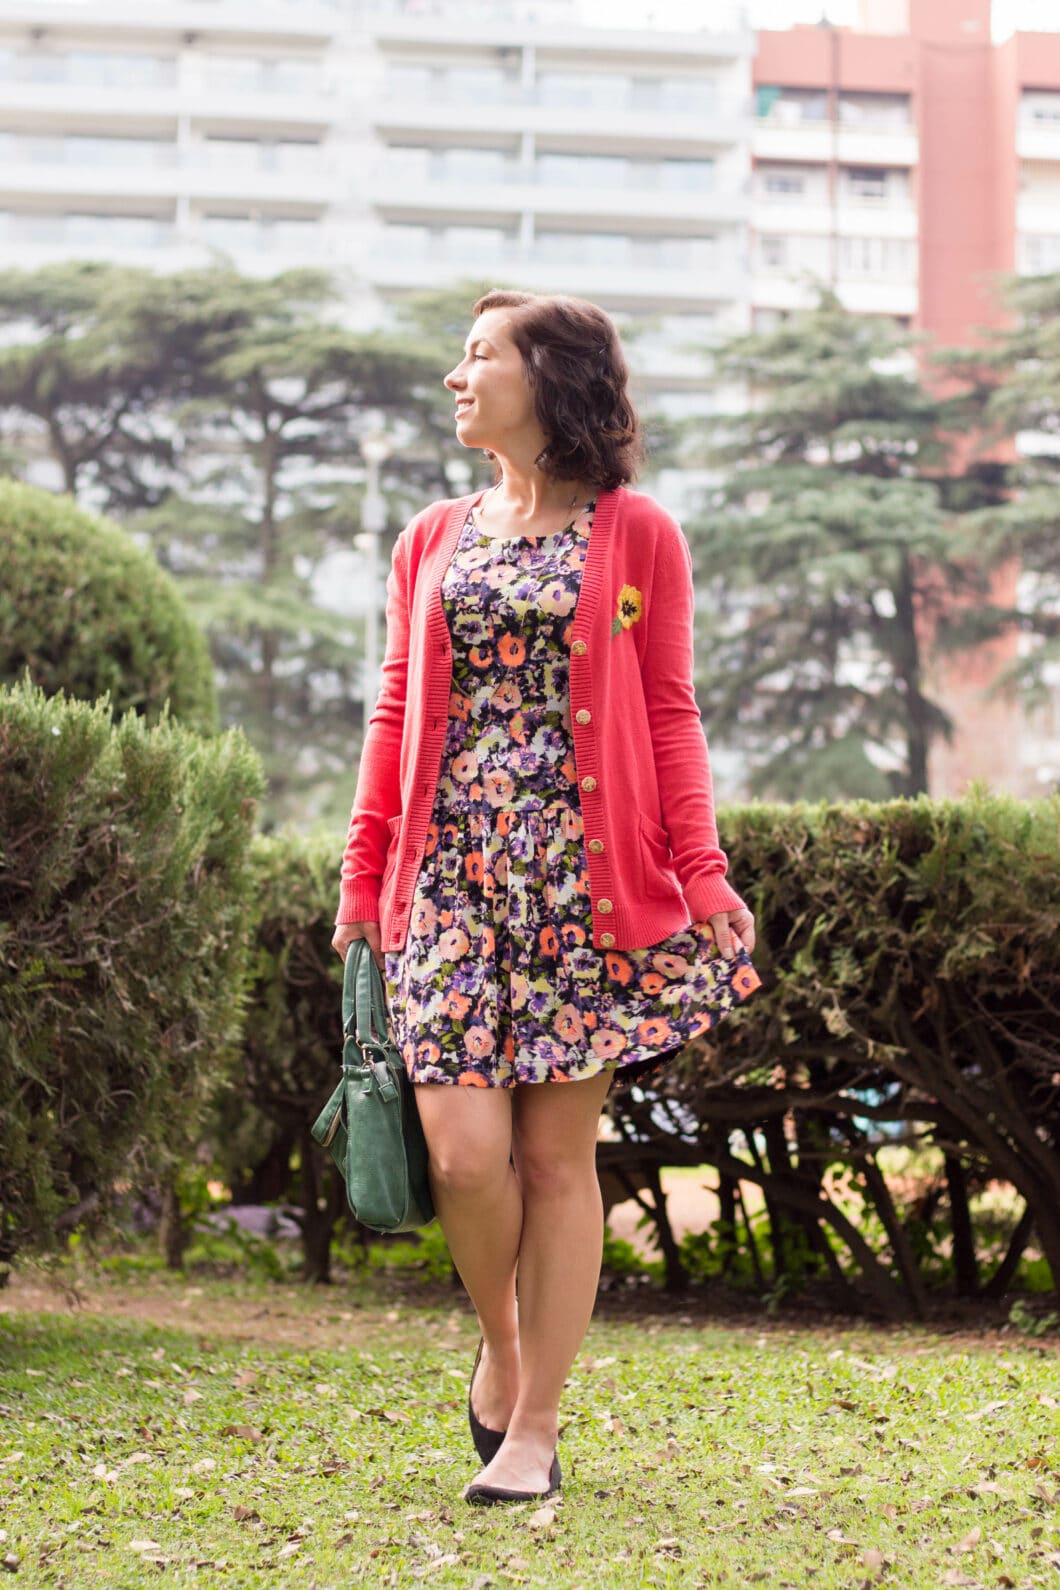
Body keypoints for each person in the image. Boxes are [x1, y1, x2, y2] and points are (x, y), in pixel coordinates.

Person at [331, 289, 760, 1506]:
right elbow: (395, 707)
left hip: (582, 886)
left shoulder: (640, 537)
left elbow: (668, 713)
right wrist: (366, 875)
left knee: (557, 1162)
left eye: (480, 357)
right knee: (466, 1160)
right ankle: (503, 1347)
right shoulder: (431, 536)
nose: (457, 377)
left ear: (549, 378)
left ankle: (538, 1426)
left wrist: (703, 869)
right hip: (451, 880)